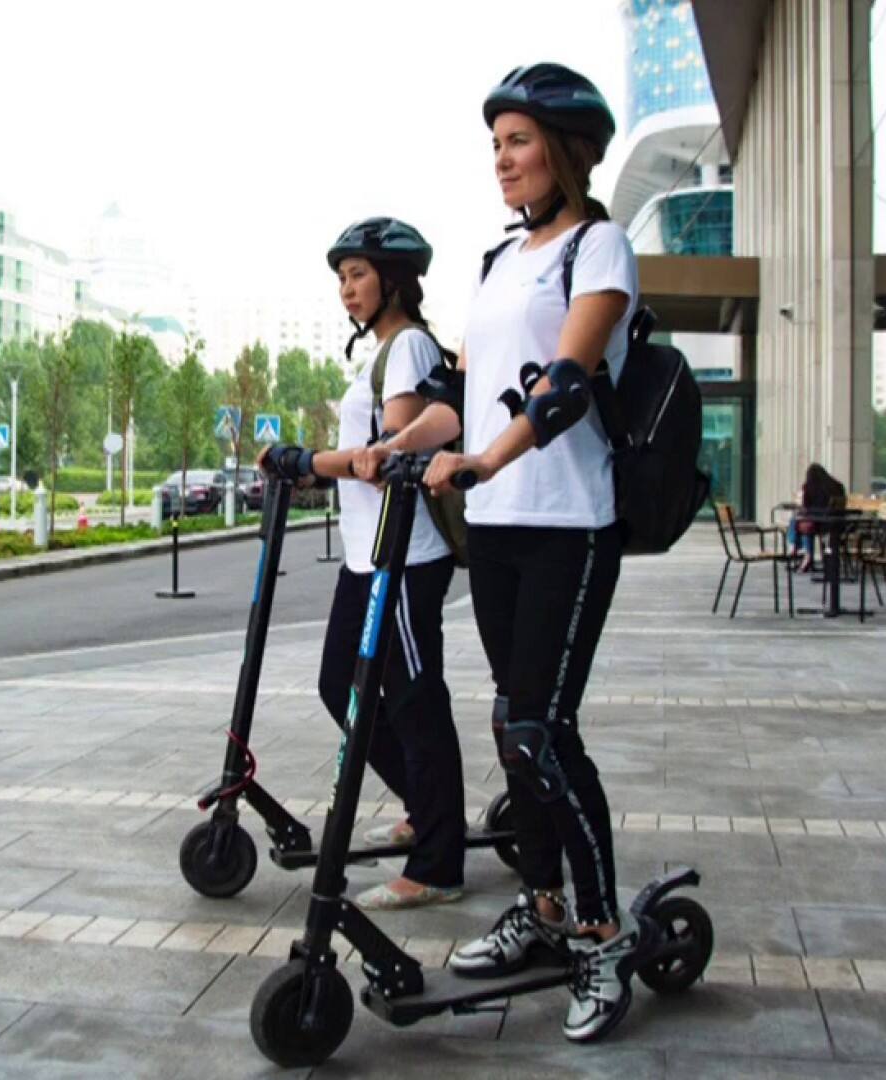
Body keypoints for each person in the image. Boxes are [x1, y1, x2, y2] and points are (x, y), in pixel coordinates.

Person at [357, 63, 643, 1043]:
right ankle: (547, 905)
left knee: (542, 730)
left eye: (518, 142)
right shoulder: (496, 262)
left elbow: (564, 385)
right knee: (508, 726)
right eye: (496, 145)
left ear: (566, 151)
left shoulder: (600, 248)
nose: (503, 160)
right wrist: (394, 449)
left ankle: (602, 931)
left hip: (571, 520)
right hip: (502, 527)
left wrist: (486, 457)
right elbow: (461, 397)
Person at [257, 217, 466, 911]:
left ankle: (438, 859)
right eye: (342, 278)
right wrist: (312, 468)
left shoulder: (406, 348)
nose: (346, 289)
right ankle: (423, 802)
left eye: (358, 275)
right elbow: (362, 459)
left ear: (394, 281)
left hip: (403, 559)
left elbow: (389, 462)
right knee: (336, 684)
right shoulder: (381, 352)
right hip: (366, 558)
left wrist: (308, 460)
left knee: (413, 698)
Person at [788, 463, 847, 571]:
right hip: (838, 523)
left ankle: (798, 549)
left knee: (798, 521)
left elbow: (806, 507)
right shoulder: (837, 485)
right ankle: (802, 552)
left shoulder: (809, 486)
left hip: (819, 524)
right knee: (802, 522)